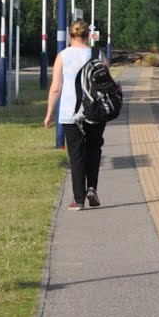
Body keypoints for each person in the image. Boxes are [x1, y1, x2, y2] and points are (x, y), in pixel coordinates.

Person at [44, 18, 104, 210]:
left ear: (71, 36)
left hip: (71, 112)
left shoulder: (63, 56)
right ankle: (92, 188)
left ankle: (78, 199)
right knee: (94, 150)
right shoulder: (97, 53)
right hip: (95, 112)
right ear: (88, 36)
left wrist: (49, 113)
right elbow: (106, 81)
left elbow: (55, 88)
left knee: (77, 155)